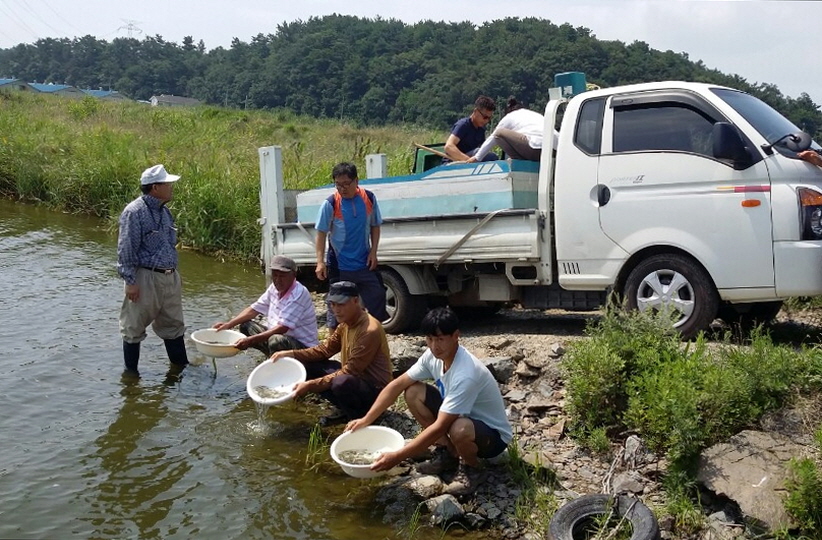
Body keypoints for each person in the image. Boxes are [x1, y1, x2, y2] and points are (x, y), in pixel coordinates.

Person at [346, 307, 512, 496]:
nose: (434, 346)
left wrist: (397, 456)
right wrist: (367, 419)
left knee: (459, 427)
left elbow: (441, 426)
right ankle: (448, 452)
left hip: (492, 437)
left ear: (456, 336)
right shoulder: (432, 356)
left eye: (440, 339)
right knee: (413, 392)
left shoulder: (466, 373)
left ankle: (471, 469)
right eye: (430, 339)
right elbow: (397, 385)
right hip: (460, 418)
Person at [270, 281, 393, 426]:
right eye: (332, 304)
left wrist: (310, 385)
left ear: (355, 301)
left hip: (376, 391)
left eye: (341, 304)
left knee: (341, 382)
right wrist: (291, 354)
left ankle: (359, 417)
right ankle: (344, 408)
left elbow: (351, 371)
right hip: (356, 378)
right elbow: (325, 350)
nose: (336, 310)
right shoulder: (345, 323)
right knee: (307, 365)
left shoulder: (368, 330)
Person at [117, 164, 188, 375]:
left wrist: (175, 277)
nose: (172, 187)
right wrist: (130, 282)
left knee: (174, 327)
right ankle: (131, 378)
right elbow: (126, 248)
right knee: (133, 328)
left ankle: (180, 373)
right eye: (168, 184)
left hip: (169, 277)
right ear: (155, 187)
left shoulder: (165, 212)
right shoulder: (134, 212)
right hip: (145, 277)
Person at [314, 162, 388, 328]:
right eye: (338, 185)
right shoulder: (331, 204)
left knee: (378, 296)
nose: (342, 189)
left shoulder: (369, 198)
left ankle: (374, 339)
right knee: (336, 308)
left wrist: (373, 252)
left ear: (356, 181)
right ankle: (334, 348)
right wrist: (320, 262)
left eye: (346, 184)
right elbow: (320, 233)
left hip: (364, 262)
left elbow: (375, 225)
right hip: (340, 266)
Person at [212, 255, 319, 356]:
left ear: (294, 275)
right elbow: (254, 309)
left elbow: (282, 328)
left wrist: (250, 341)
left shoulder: (298, 293)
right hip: (280, 337)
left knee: (276, 340)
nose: (277, 280)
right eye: (275, 275)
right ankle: (273, 356)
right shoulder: (274, 287)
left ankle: (281, 366)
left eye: (282, 276)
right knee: (245, 325)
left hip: (303, 349)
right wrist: (229, 325)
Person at [468, 96, 559, 162]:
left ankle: (518, 160)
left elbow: (493, 137)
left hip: (536, 148)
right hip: (555, 151)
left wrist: (477, 157)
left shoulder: (510, 116)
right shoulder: (535, 115)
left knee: (499, 134)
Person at [443, 95, 499, 163]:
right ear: (476, 111)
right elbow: (448, 146)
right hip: (453, 162)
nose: (486, 121)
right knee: (478, 152)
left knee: (492, 156)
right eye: (485, 117)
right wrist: (468, 160)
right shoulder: (463, 125)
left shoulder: (481, 130)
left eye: (489, 118)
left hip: (469, 162)